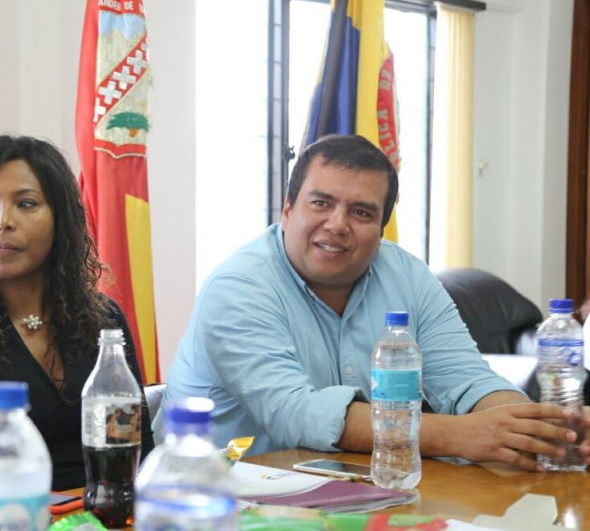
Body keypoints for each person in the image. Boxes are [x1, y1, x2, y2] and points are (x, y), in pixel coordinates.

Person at [163, 134, 590, 471]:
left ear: (381, 228)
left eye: (362, 213)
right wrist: (460, 436)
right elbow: (295, 412)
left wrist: (543, 431)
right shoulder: (239, 286)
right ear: (288, 208)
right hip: (214, 497)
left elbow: (466, 378)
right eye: (321, 203)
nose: (337, 224)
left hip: (351, 489)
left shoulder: (403, 272)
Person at [0, 135, 154, 490]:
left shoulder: (105, 322)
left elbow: (138, 448)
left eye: (26, 203)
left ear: (60, 219)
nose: (2, 221)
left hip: (106, 524)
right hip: (3, 526)